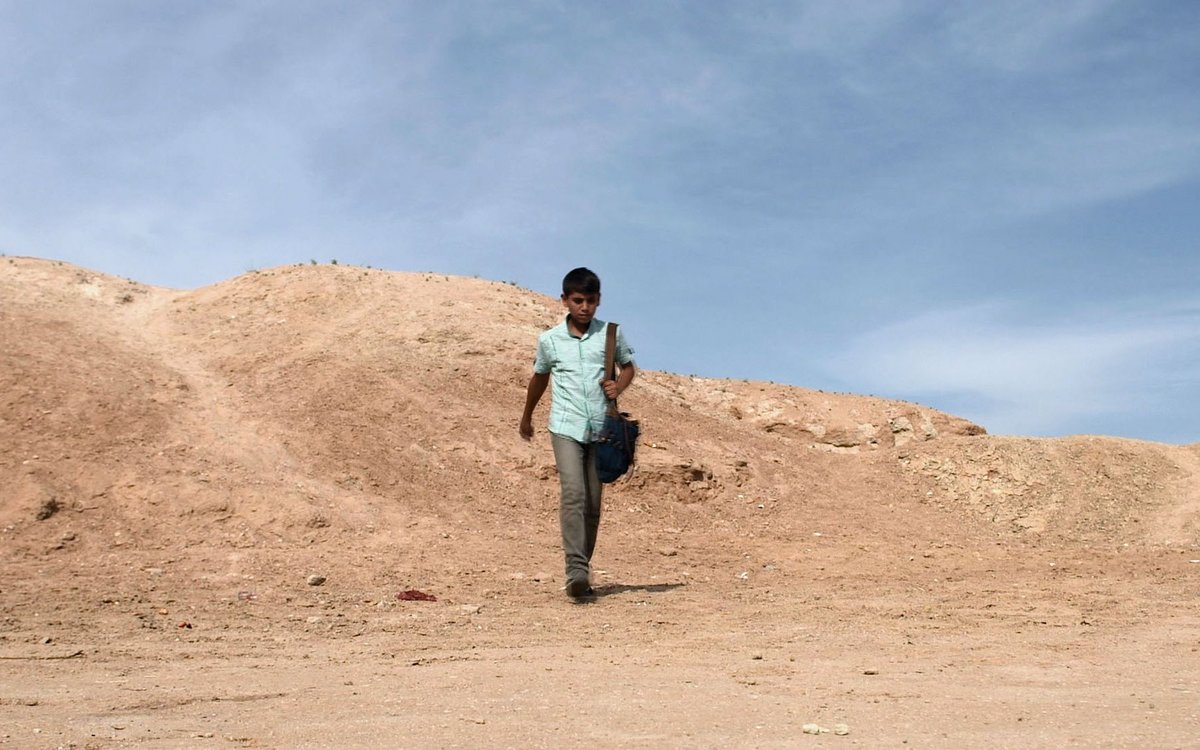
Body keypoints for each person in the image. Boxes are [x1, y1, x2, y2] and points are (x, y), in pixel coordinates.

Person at [519, 267, 636, 599]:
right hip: (565, 426)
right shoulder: (550, 341)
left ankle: (582, 568)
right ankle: (576, 571)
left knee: (593, 503)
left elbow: (628, 367)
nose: (584, 307)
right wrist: (526, 416)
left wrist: (619, 386)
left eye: (591, 301)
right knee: (574, 494)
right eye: (578, 300)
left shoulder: (610, 335)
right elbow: (540, 378)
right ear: (565, 300)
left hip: (601, 429)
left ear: (599, 300)